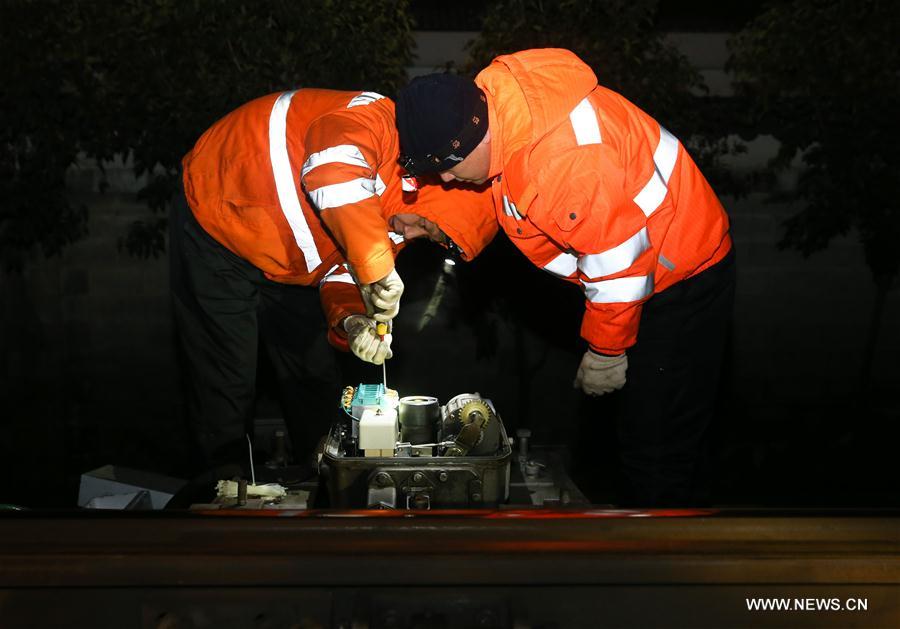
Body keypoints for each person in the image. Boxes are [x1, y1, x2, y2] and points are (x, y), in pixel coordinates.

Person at [394, 49, 735, 506]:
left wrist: (606, 352)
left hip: (679, 276)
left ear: (466, 141)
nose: (449, 181)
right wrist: (441, 222)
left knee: (658, 441)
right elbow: (498, 186)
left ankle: (664, 560)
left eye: (447, 168)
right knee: (632, 432)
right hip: (638, 271)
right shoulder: (501, 109)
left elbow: (618, 267)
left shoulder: (567, 163)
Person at [171, 88, 496, 470]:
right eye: (427, 225)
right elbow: (333, 167)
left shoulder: (392, 225)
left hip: (285, 262)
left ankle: (323, 489)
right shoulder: (377, 119)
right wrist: (375, 267)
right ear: (428, 190)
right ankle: (220, 497)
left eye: (429, 238)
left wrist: (352, 320)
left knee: (314, 374)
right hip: (218, 213)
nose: (414, 236)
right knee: (225, 381)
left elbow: (341, 270)